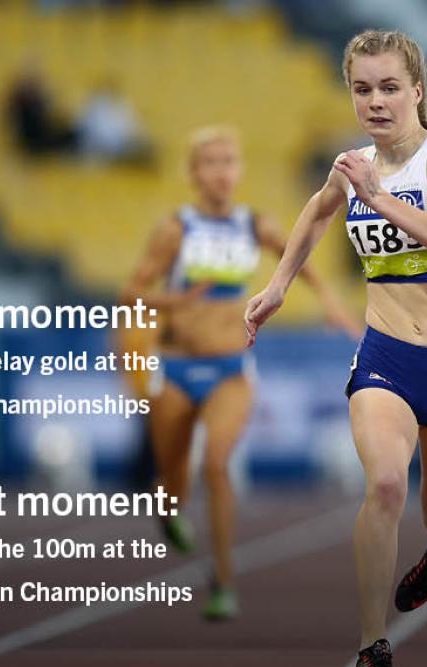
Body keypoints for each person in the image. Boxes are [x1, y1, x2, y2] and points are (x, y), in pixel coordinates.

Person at [244, 29, 427, 667]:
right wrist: (278, 285)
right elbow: (320, 210)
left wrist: (381, 199)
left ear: (416, 91)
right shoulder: (351, 163)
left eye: (388, 87)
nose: (375, 101)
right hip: (387, 358)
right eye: (362, 89)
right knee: (385, 485)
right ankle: (371, 645)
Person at [121, 125, 360, 620]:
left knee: (216, 466)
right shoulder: (176, 229)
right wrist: (177, 299)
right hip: (177, 365)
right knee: (172, 473)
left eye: (230, 161)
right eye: (211, 162)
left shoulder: (255, 225)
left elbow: (301, 253)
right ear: (193, 173)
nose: (222, 171)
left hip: (231, 366)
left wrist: (331, 302)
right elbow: (133, 293)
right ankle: (168, 511)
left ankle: (223, 580)